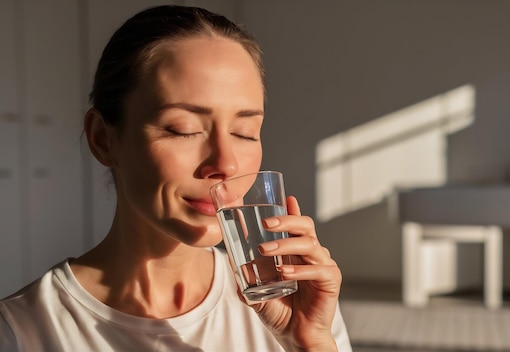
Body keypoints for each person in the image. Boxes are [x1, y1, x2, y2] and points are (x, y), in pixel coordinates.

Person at [0, 5, 352, 351]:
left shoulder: (297, 306)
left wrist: (309, 343)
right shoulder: (22, 331)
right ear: (103, 139)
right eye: (183, 129)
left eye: (245, 132)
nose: (225, 164)